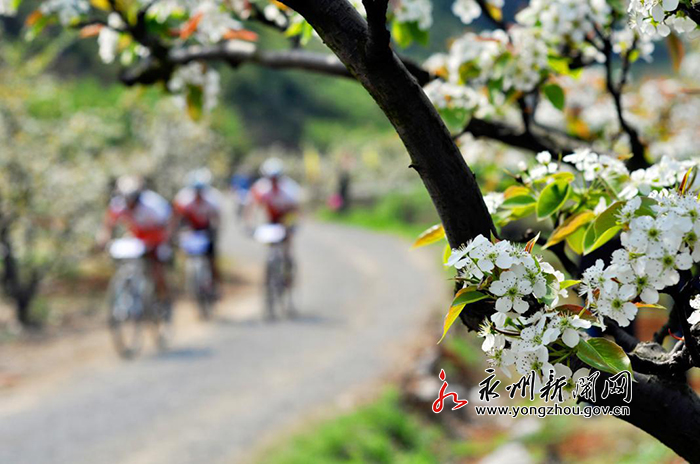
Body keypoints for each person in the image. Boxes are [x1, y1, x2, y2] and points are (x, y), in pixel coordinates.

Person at [97, 175, 173, 305]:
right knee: (126, 262)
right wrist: (103, 239)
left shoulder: (153, 204)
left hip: (156, 238)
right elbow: (108, 225)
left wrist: (165, 241)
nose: (129, 202)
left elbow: (168, 223)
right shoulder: (118, 204)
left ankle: (163, 300)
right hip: (137, 239)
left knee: (156, 270)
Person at [246, 158, 301, 278]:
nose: (273, 180)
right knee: (270, 245)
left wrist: (294, 225)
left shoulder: (290, 188)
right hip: (270, 219)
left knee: (286, 243)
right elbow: (251, 207)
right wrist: (250, 225)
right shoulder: (260, 187)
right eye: (270, 177)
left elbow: (297, 209)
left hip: (285, 218)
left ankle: (288, 269)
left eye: (276, 177)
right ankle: (271, 270)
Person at [172, 168, 222, 291]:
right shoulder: (183, 199)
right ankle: (186, 284)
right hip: (191, 230)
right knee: (187, 256)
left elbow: (218, 218)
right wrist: (175, 233)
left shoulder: (213, 199)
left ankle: (216, 285)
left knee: (211, 258)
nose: (198, 193)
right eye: (196, 190)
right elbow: (176, 218)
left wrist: (215, 233)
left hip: (206, 229)